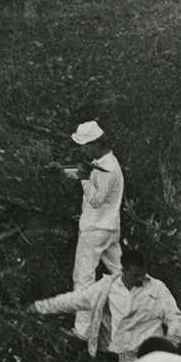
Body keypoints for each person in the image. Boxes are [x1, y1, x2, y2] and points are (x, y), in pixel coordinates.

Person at [28, 247, 181, 362]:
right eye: (136, 275)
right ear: (123, 271)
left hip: (156, 354)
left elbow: (174, 317)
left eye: (143, 274)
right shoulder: (106, 288)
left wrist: (171, 344)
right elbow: (73, 301)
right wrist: (38, 307)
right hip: (127, 357)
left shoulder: (157, 288)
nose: (141, 279)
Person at [60, 121, 126, 341]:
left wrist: (83, 179)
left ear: (96, 143)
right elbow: (89, 174)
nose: (83, 150)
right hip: (109, 229)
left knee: (83, 278)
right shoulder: (106, 162)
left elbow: (96, 199)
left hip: (95, 231)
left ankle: (82, 330)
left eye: (85, 146)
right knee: (120, 275)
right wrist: (65, 172)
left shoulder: (107, 168)